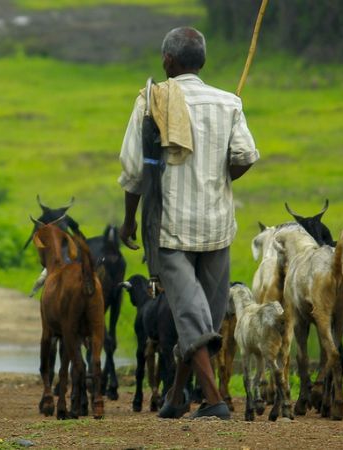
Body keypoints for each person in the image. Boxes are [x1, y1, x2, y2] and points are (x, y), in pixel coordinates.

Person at [117, 26, 259, 419]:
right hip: (217, 227)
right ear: (202, 61)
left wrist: (129, 221)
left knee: (194, 318)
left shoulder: (151, 101)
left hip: (171, 230)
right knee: (202, 317)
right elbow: (245, 155)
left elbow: (133, 171)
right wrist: (220, 178)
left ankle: (214, 402)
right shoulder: (228, 102)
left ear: (167, 61)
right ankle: (177, 396)